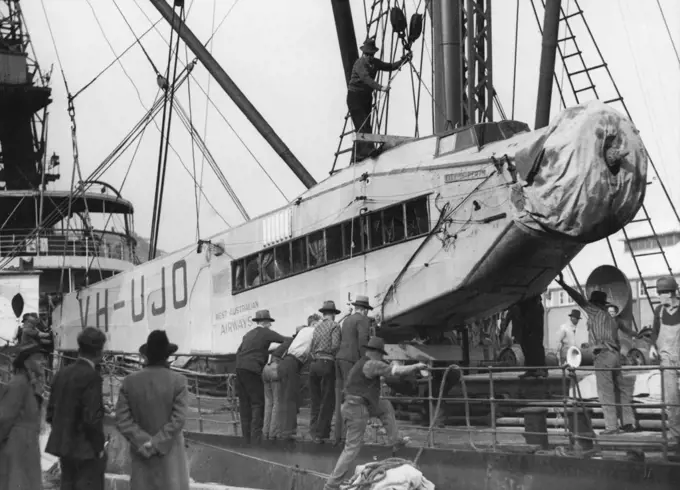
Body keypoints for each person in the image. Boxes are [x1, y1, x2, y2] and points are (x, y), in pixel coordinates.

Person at [323, 337, 428, 490]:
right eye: (382, 355)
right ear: (377, 353)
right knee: (351, 448)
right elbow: (396, 372)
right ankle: (331, 485)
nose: (382, 358)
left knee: (384, 405)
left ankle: (395, 439)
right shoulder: (372, 364)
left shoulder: (362, 363)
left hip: (357, 404)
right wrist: (417, 366)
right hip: (356, 408)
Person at [556, 273, 639, 434]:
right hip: (615, 355)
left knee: (605, 391)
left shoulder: (594, 311)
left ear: (594, 303)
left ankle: (611, 427)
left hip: (603, 356)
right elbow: (621, 335)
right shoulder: (611, 319)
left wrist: (564, 285)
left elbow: (579, 298)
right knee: (620, 390)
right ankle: (628, 423)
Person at [115, 330, 190, 490]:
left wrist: (144, 441)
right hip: (170, 463)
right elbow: (178, 419)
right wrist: (156, 442)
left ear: (146, 356)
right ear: (167, 356)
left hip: (142, 457)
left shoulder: (129, 382)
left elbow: (122, 419)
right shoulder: (179, 381)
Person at [45, 326, 108, 489]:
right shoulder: (92, 377)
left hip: (64, 447)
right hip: (86, 451)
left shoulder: (61, 374)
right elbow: (92, 418)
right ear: (99, 352)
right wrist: (99, 447)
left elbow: (50, 414)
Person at [347, 38, 411, 162]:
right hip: (355, 97)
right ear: (363, 54)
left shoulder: (375, 63)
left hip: (366, 97)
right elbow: (366, 78)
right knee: (362, 125)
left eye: (371, 54)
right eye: (367, 54)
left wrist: (403, 61)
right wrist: (381, 87)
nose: (369, 57)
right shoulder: (359, 64)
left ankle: (359, 156)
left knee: (366, 127)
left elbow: (390, 66)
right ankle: (367, 151)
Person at [234, 309, 290, 444]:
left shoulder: (248, 334)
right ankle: (256, 438)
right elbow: (287, 340)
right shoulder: (266, 332)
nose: (270, 325)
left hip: (239, 369)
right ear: (265, 322)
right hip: (253, 369)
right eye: (269, 323)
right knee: (258, 403)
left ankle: (246, 438)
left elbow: (238, 352)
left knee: (244, 404)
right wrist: (274, 355)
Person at [0, 344, 44, 490]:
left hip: (27, 447)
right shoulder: (18, 383)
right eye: (38, 358)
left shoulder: (29, 384)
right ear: (26, 363)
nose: (43, 362)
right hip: (17, 449)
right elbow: (4, 417)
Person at [335, 295, 373, 442]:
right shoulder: (362, 320)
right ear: (363, 310)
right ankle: (350, 433)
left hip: (340, 358)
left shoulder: (347, 319)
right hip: (351, 359)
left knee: (342, 395)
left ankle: (339, 433)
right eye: (367, 310)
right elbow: (363, 340)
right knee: (352, 394)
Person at [650, 276, 680, 447]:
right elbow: (654, 332)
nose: (659, 296)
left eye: (662, 293)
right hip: (667, 360)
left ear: (671, 293)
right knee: (672, 400)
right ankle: (675, 436)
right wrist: (653, 346)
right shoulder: (659, 311)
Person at [278, 315, 318, 440]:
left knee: (286, 397)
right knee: (291, 398)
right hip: (293, 363)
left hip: (286, 362)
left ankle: (284, 430)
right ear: (314, 323)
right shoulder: (313, 331)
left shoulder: (302, 331)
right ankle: (289, 432)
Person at [309, 300, 342, 443]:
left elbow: (311, 348)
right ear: (334, 314)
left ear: (323, 314)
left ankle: (312, 430)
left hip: (314, 363)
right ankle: (321, 434)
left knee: (316, 399)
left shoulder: (317, 327)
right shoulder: (334, 326)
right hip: (327, 362)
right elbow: (335, 346)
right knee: (327, 400)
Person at [262, 334, 293, 441]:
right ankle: (273, 433)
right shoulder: (295, 343)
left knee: (268, 403)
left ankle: (265, 432)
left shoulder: (287, 341)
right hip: (276, 368)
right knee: (277, 402)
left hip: (267, 367)